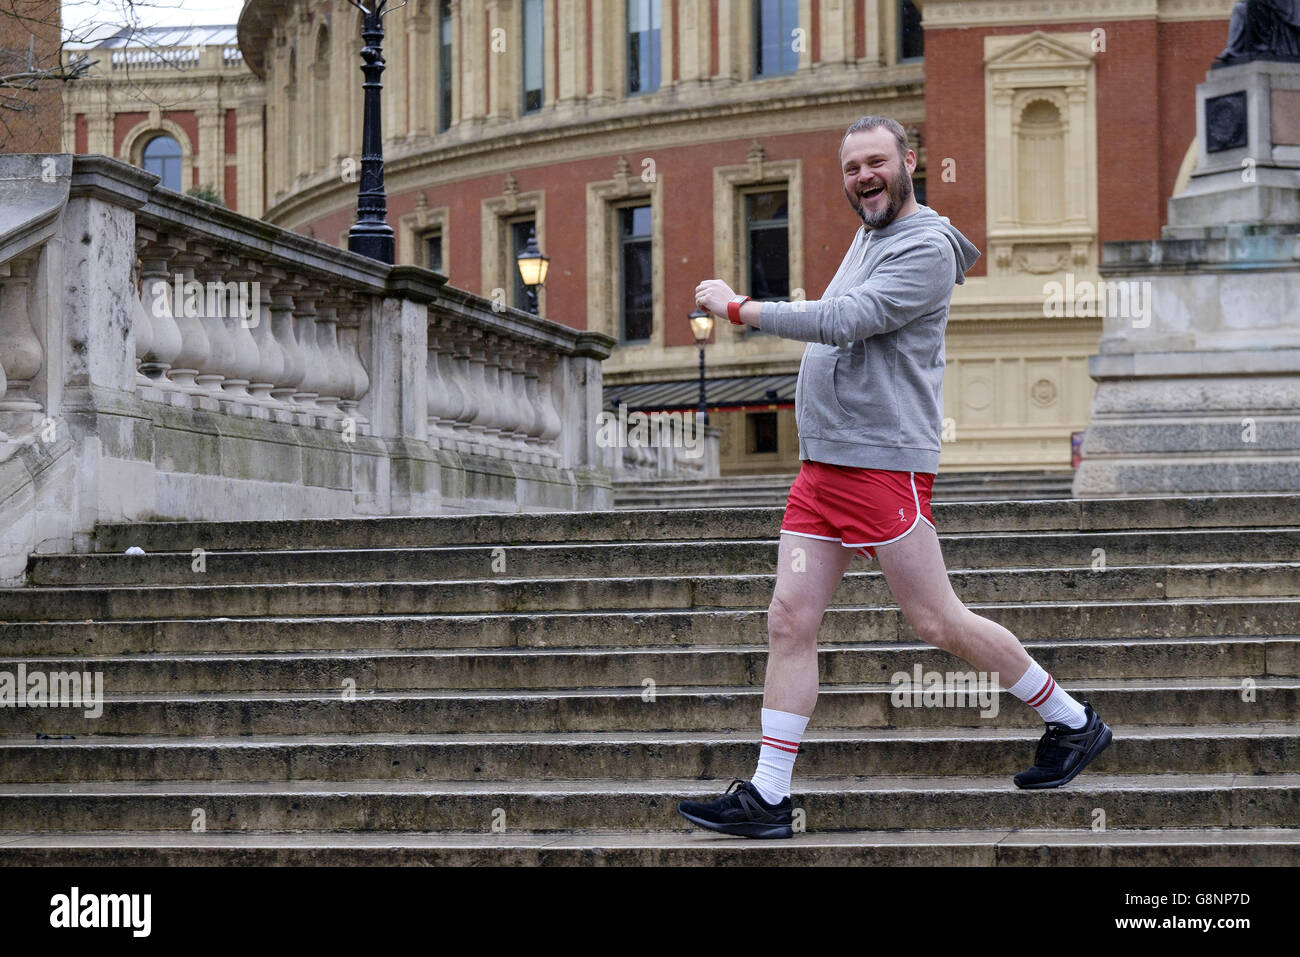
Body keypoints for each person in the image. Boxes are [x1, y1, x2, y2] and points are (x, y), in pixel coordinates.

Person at [679, 115, 1112, 839]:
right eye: (851, 168)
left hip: (882, 465)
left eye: (875, 162)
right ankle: (770, 795)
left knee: (938, 620)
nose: (863, 177)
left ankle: (1073, 721)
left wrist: (738, 308)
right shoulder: (872, 233)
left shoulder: (925, 247)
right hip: (823, 468)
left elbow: (850, 318)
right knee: (788, 618)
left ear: (908, 160)